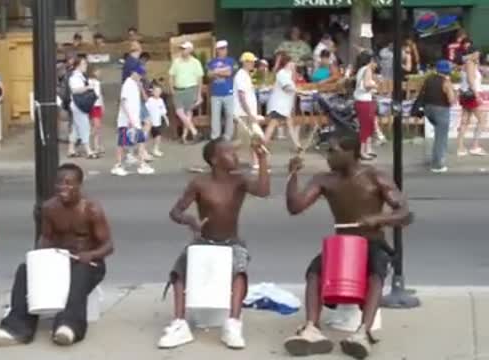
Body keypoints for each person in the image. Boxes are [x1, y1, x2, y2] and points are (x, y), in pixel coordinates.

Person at [283, 130, 412, 359]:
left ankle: (363, 332)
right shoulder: (324, 180)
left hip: (372, 242)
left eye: (332, 151)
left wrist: (377, 219)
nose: (327, 156)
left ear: (352, 152)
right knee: (314, 272)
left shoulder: (375, 177)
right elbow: (295, 207)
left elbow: (404, 213)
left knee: (376, 272)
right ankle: (312, 328)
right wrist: (292, 175)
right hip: (342, 244)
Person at [157, 137, 270, 350]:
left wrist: (263, 159)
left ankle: (233, 323)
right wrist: (190, 221)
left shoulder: (239, 180)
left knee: (239, 272)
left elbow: (263, 191)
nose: (235, 156)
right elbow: (175, 211)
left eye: (234, 151)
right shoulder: (200, 183)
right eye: (229, 152)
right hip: (203, 241)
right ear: (215, 160)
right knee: (178, 272)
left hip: (231, 242)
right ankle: (179, 323)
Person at [0, 163, 113, 347]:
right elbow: (46, 237)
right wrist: (40, 258)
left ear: (80, 185)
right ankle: (16, 328)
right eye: (60, 183)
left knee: (79, 272)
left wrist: (91, 255)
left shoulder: (91, 209)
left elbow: (109, 246)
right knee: (24, 270)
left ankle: (68, 326)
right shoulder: (49, 208)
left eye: (69, 183)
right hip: (60, 260)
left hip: (89, 264)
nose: (63, 188)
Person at [111, 65, 154, 176]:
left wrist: (140, 87)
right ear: (134, 73)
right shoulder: (127, 84)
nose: (140, 76)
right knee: (122, 143)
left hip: (135, 119)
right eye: (139, 74)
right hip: (126, 120)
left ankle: (141, 164)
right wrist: (129, 119)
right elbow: (123, 102)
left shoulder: (135, 84)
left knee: (140, 141)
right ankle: (118, 165)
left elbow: (142, 100)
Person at [422, 60, 457, 173]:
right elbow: (451, 100)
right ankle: (437, 164)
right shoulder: (446, 82)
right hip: (441, 109)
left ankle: (435, 157)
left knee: (438, 134)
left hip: (428, 109)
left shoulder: (428, 79)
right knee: (441, 137)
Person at [169, 41, 204, 144]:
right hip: (179, 89)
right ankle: (195, 132)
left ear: (190, 50)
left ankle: (184, 136)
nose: (182, 51)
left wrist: (199, 94)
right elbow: (171, 76)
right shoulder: (176, 61)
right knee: (179, 112)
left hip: (191, 89)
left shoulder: (195, 62)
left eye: (184, 49)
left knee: (188, 113)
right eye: (182, 49)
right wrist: (172, 89)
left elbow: (199, 79)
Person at [456, 47, 487, 157]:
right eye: (477, 54)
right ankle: (475, 146)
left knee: (465, 121)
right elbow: (470, 79)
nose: (478, 56)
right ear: (473, 53)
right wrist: (477, 95)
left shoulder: (468, 62)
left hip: (466, 94)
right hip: (472, 95)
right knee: (482, 120)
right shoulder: (470, 63)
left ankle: (460, 147)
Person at [267, 53, 300, 153]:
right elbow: (287, 88)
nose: (293, 65)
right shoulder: (281, 73)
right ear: (287, 64)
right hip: (278, 105)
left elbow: (293, 81)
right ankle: (264, 143)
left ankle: (297, 145)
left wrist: (294, 71)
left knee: (290, 124)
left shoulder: (288, 74)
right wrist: (298, 91)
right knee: (273, 124)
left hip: (285, 106)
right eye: (291, 63)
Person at [68, 57, 98, 159]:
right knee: (84, 126)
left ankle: (71, 149)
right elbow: (75, 90)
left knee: (76, 127)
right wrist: (88, 87)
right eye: (83, 64)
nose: (85, 66)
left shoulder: (81, 76)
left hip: (79, 104)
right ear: (78, 66)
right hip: (78, 104)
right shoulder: (74, 77)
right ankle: (88, 150)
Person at [207, 40, 236, 141]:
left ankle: (228, 136)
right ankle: (215, 137)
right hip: (216, 93)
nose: (224, 50)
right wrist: (222, 71)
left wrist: (216, 72)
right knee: (215, 117)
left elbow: (229, 73)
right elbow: (209, 75)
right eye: (221, 49)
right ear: (217, 50)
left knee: (229, 115)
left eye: (225, 48)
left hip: (228, 92)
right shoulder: (212, 62)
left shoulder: (231, 61)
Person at [353, 51, 378, 160]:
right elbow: (367, 84)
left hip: (360, 100)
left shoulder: (360, 70)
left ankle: (368, 148)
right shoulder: (367, 69)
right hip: (364, 101)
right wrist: (374, 85)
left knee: (368, 125)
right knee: (366, 126)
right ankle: (362, 151)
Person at [146, 83, 169, 157]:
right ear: (152, 92)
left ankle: (155, 149)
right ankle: (144, 150)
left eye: (159, 91)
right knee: (146, 136)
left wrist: (166, 119)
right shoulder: (149, 100)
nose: (157, 93)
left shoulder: (161, 100)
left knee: (158, 136)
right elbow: (146, 110)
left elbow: (163, 111)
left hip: (157, 122)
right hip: (150, 122)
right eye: (156, 91)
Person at [88, 66, 104, 155]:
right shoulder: (90, 82)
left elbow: (100, 95)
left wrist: (102, 105)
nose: (99, 73)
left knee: (98, 126)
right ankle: (93, 144)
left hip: (98, 105)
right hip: (93, 105)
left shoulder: (97, 82)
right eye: (98, 71)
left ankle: (97, 145)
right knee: (96, 126)